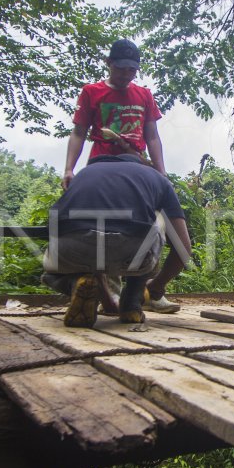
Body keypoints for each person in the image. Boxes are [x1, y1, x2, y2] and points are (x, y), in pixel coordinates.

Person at [42, 154, 191, 327]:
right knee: (157, 218)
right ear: (142, 164)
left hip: (72, 249)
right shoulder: (157, 178)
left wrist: (106, 301)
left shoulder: (84, 173)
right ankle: (132, 302)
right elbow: (183, 248)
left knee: (51, 271)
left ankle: (75, 283)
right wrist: (155, 286)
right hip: (134, 252)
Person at [61, 39, 167, 187]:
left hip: (134, 161)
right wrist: (68, 169)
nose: (125, 75)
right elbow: (79, 133)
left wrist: (162, 174)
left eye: (131, 70)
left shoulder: (145, 94)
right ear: (108, 62)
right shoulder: (91, 92)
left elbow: (153, 137)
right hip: (101, 160)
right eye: (120, 68)